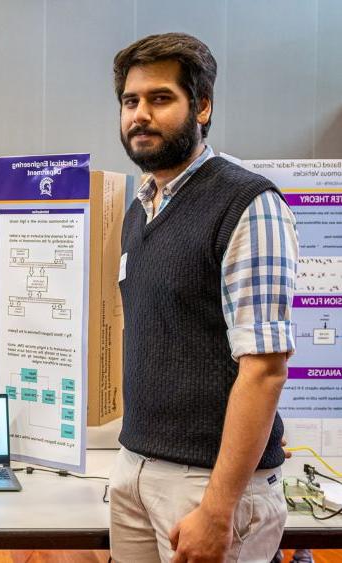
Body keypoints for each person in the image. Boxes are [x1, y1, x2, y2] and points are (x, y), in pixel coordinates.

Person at [109, 33, 298, 562]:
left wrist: (218, 509)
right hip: (136, 469)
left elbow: (265, 368)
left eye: (160, 98)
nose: (140, 115)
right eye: (130, 101)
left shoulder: (246, 204)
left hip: (207, 486)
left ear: (203, 106)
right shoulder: (141, 208)